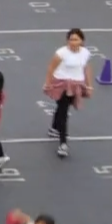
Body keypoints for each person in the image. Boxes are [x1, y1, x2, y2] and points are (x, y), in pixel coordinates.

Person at [43, 28, 95, 158]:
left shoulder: (85, 53)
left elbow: (86, 68)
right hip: (62, 85)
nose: (73, 42)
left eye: (76, 39)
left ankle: (54, 128)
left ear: (81, 41)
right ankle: (63, 143)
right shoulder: (61, 53)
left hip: (77, 85)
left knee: (62, 108)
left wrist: (89, 86)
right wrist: (48, 83)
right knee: (63, 111)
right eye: (71, 39)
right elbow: (51, 68)